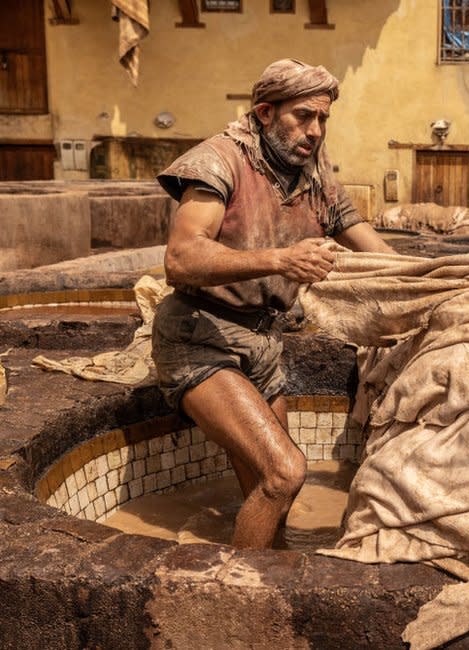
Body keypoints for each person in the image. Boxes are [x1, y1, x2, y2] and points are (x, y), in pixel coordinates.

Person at [152, 59, 395, 549]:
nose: (315, 130)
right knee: (285, 472)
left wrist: (455, 284)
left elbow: (381, 256)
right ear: (265, 112)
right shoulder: (219, 161)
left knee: (273, 494)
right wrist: (282, 259)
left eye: (323, 118)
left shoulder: (316, 178)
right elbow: (181, 258)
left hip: (262, 345)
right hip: (201, 337)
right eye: (303, 116)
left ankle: (269, 581)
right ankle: (235, 601)